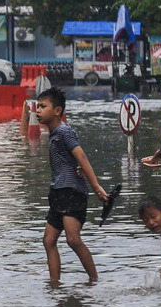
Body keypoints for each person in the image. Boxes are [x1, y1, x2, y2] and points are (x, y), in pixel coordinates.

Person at [34, 87, 110, 283]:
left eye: (43, 106)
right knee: (48, 241)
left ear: (57, 111)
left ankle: (94, 281)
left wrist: (96, 187)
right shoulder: (54, 134)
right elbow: (73, 161)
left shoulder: (64, 131)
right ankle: (54, 285)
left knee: (73, 240)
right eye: (37, 106)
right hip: (58, 192)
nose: (38, 111)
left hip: (72, 191)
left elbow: (82, 157)